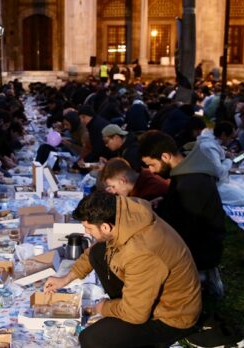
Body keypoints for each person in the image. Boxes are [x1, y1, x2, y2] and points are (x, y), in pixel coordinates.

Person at [44, 192, 201, 348]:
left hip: (172, 316)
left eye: (88, 228)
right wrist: (65, 279)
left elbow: (136, 314)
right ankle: (122, 312)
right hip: (150, 295)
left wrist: (103, 307)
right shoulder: (124, 215)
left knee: (90, 339)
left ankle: (151, 338)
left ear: (105, 226)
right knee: (99, 251)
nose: (86, 233)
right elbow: (95, 250)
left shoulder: (141, 252)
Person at [138, 130, 226, 296]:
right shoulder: (186, 169)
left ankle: (203, 281)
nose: (151, 171)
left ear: (165, 157)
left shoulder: (190, 183)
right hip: (196, 239)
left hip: (200, 251)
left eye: (151, 164)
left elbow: (184, 231)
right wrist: (164, 201)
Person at [99, 157, 169, 201]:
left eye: (113, 186)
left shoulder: (149, 195)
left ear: (123, 181)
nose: (113, 192)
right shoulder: (145, 174)